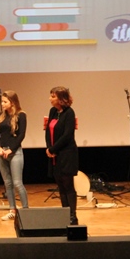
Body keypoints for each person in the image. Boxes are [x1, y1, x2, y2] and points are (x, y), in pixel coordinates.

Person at [0, 90, 29, 221]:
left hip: (15, 153)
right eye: (2, 101)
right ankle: (12, 210)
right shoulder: (0, 116)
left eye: (5, 102)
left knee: (17, 183)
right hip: (2, 152)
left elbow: (21, 135)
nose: (2, 104)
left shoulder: (21, 115)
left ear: (12, 102)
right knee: (8, 183)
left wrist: (11, 149)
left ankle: (26, 211)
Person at [45, 86, 79, 225]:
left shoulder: (69, 113)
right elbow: (48, 131)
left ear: (61, 99)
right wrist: (49, 149)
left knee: (68, 185)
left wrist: (53, 149)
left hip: (67, 154)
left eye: (53, 96)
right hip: (55, 155)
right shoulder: (52, 111)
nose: (50, 99)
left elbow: (67, 135)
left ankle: (73, 216)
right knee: (61, 186)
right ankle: (65, 213)